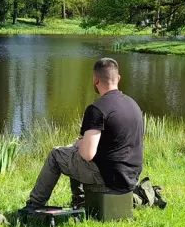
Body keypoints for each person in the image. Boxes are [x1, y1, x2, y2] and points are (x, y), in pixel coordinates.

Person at [23, 58, 144, 210]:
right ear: (118, 78)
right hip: (131, 177)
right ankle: (80, 201)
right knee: (73, 151)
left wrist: (81, 144)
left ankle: (34, 204)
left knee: (57, 155)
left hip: (109, 179)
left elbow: (87, 155)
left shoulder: (97, 109)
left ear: (95, 80)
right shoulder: (133, 105)